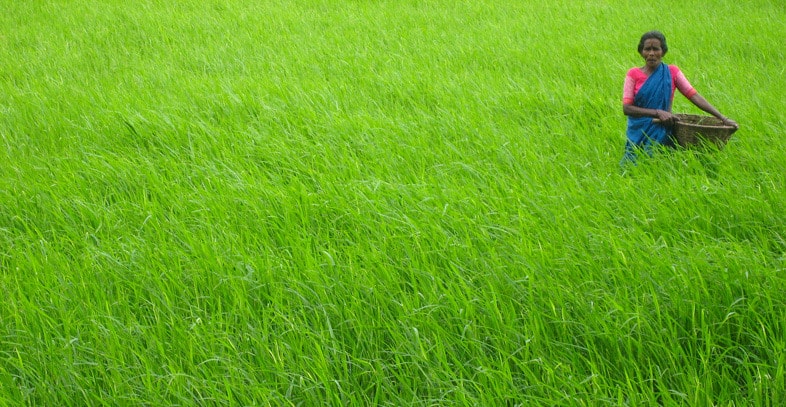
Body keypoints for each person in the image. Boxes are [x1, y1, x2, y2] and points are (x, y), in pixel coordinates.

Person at [621, 30, 738, 165]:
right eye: (647, 49)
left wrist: (722, 118)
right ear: (641, 52)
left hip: (662, 128)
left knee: (659, 164)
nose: (651, 53)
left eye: (656, 49)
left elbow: (694, 96)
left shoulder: (672, 72)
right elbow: (627, 108)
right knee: (633, 164)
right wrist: (658, 112)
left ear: (663, 51)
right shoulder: (633, 74)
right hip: (638, 131)